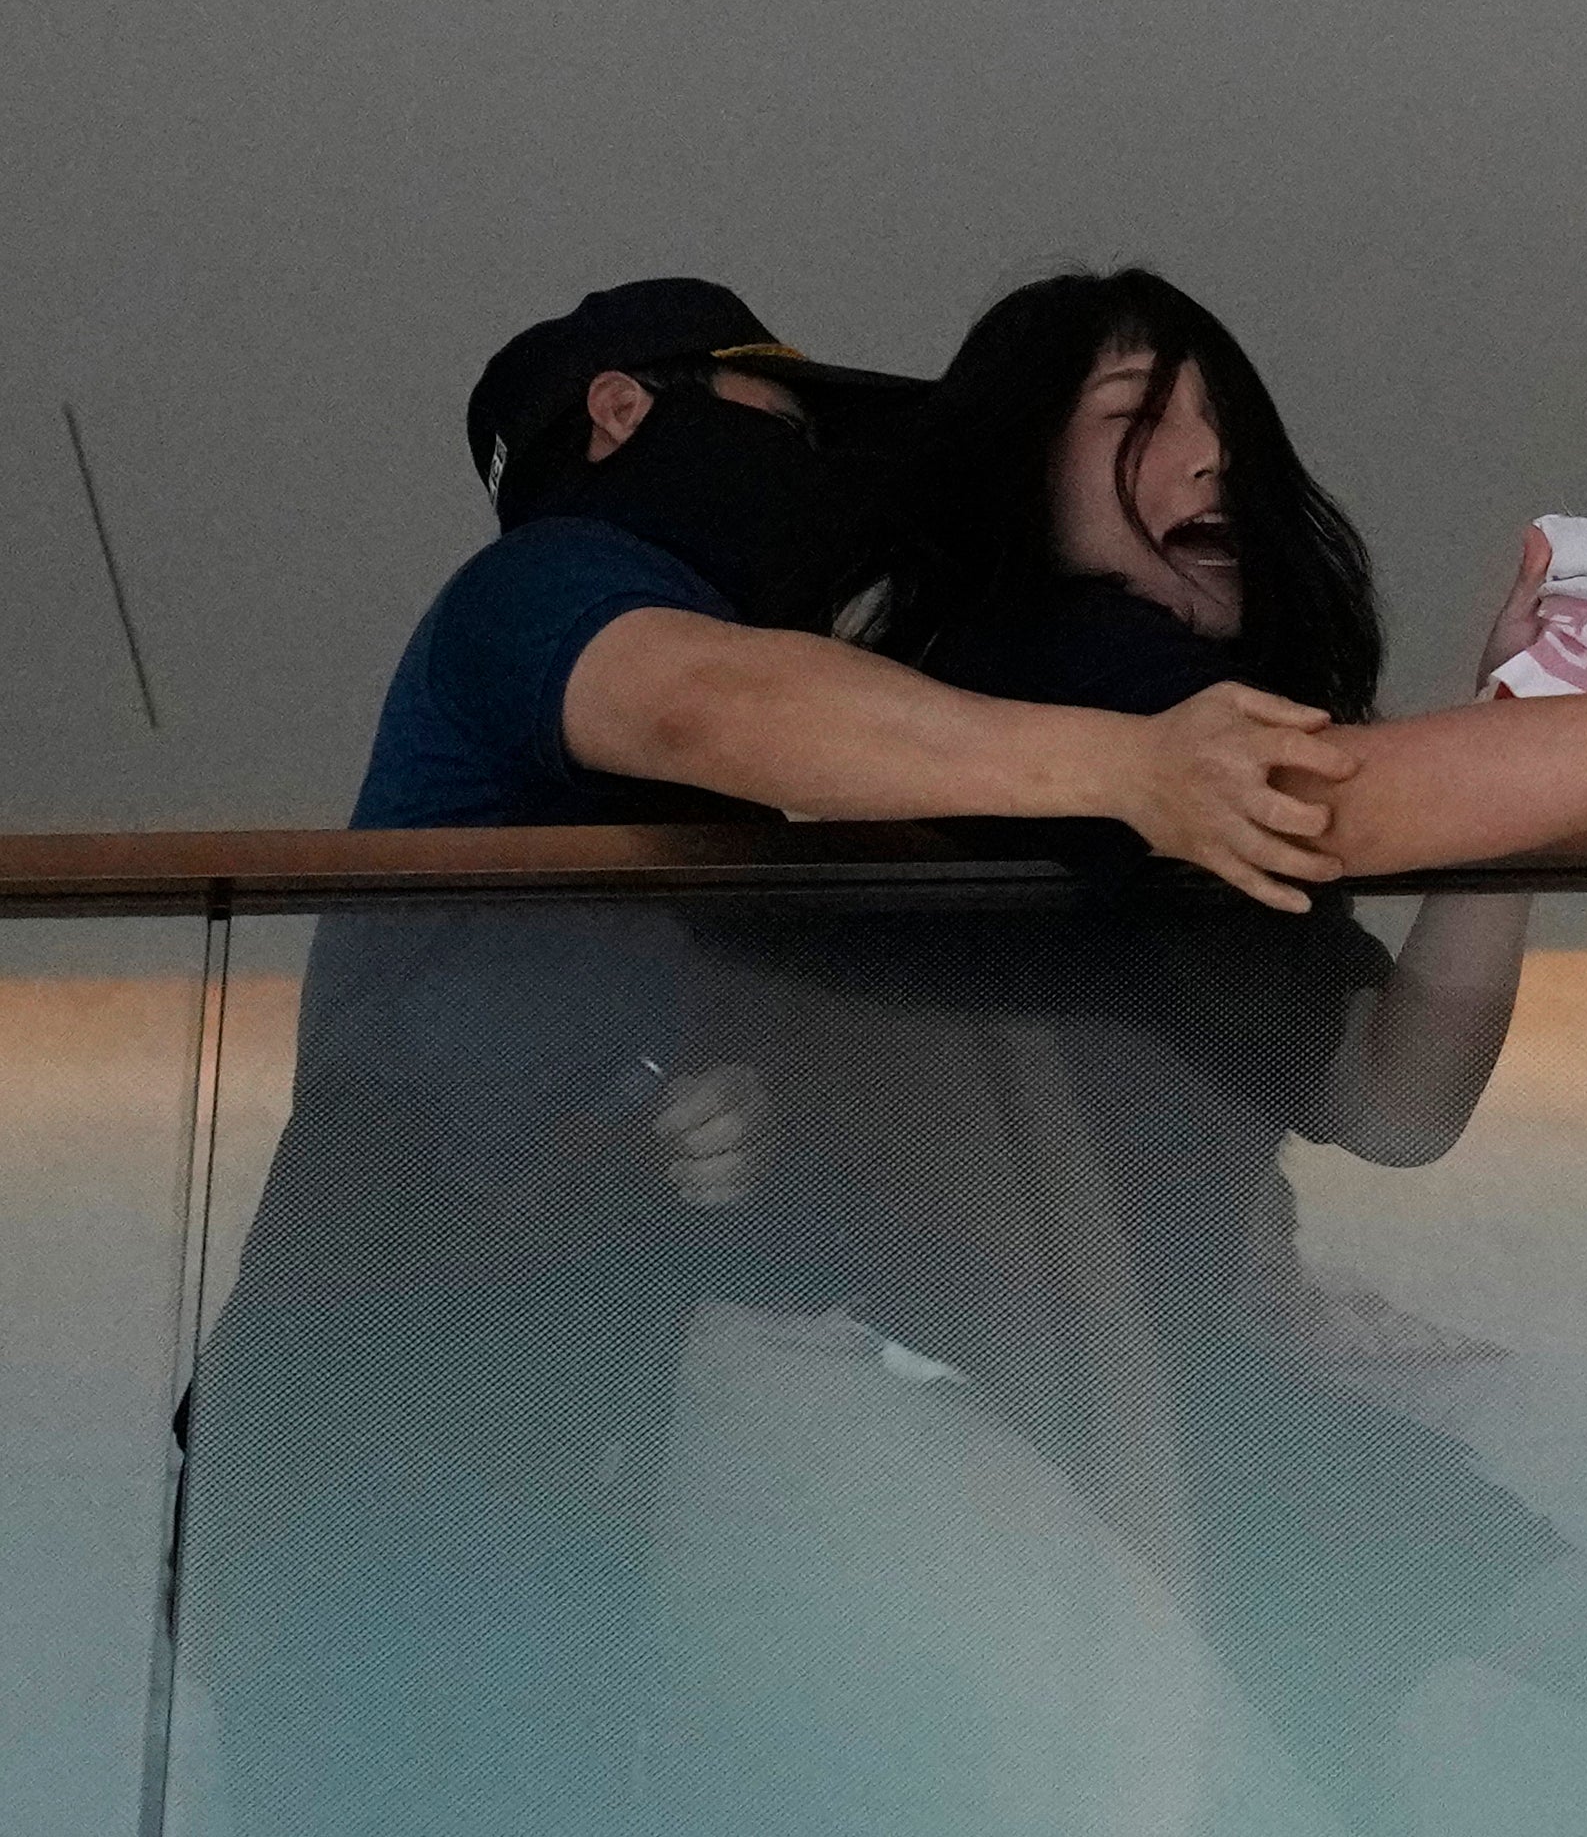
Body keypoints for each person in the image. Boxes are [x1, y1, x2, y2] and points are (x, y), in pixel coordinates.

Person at [641, 265, 1587, 1836]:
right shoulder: (1024, 702)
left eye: (1228, 429)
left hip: (1156, 1401)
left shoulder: (1173, 802)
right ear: (1013, 468)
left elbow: (1394, 1097)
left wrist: (1519, 751)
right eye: (1142, 419)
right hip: (934, 1414)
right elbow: (1335, 810)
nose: (1212, 462)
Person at [177, 276, 1371, 1837]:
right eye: (782, 427)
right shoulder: (550, 583)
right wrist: (1131, 769)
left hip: (533, 1433)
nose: (812, 479)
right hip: (397, 1417)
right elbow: (697, 702)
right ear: (622, 411)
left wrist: (700, 1120)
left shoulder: (716, 830)